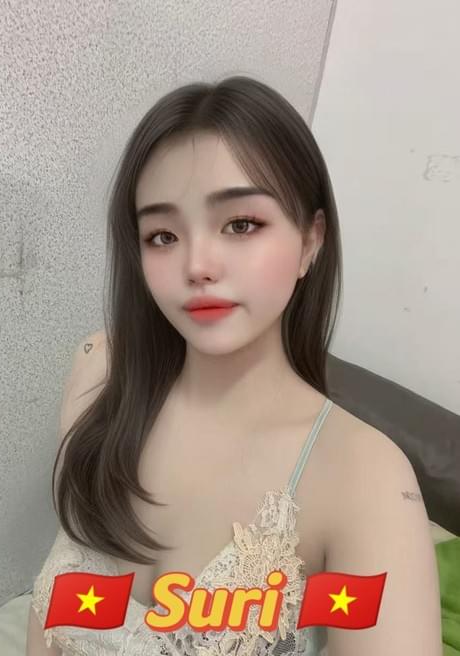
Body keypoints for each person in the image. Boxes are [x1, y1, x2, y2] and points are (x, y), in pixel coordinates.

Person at [26, 74, 441, 655]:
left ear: (311, 240)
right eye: (162, 235)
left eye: (241, 224)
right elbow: (49, 620)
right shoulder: (99, 376)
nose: (197, 264)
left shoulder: (365, 478)